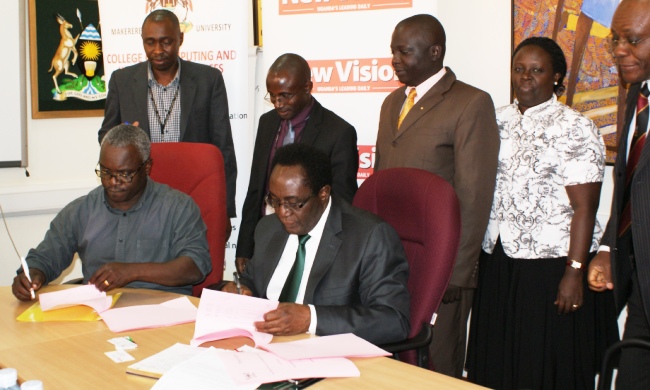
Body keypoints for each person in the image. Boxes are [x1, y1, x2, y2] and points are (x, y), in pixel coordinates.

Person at [465, 37, 616, 389]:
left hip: (550, 267)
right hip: (499, 260)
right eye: (519, 69)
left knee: (543, 365)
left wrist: (574, 273)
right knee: (498, 362)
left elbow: (585, 208)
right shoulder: (495, 120)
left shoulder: (576, 128)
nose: (525, 77)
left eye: (537, 70)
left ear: (557, 77)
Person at [374, 14, 499, 377]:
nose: (395, 59)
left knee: (437, 363)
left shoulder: (470, 103)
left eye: (404, 51)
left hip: (441, 265)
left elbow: (475, 196)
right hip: (390, 258)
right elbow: (381, 182)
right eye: (392, 51)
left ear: (434, 52)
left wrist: (457, 273)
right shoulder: (391, 103)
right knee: (389, 359)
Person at [221, 143, 409, 345]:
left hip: (328, 353)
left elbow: (393, 320)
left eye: (294, 203)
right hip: (262, 347)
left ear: (323, 193)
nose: (282, 212)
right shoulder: (269, 227)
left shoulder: (370, 237)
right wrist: (240, 290)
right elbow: (251, 280)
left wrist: (311, 318)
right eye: (274, 201)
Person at [12, 125, 211, 300]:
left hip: (164, 314)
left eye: (124, 174)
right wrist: (33, 275)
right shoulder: (82, 210)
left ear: (147, 167)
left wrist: (132, 271)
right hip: (98, 316)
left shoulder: (178, 207)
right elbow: (45, 258)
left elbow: (195, 266)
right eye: (106, 172)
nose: (113, 182)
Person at [98, 9, 237, 220]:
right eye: (150, 42)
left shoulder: (208, 80)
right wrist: (125, 137)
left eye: (166, 42)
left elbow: (223, 150)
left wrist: (224, 211)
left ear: (180, 38)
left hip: (195, 196)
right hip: (141, 199)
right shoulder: (122, 81)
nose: (158, 50)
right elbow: (105, 136)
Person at [235, 53, 358, 274]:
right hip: (267, 239)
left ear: (308, 87)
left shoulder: (338, 132)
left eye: (286, 95)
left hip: (311, 244)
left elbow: (342, 201)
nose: (278, 104)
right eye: (272, 96)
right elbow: (256, 189)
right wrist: (244, 246)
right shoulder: (267, 123)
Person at [588, 1, 650, 388]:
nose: (619, 50)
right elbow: (627, 188)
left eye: (633, 40)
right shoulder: (636, 96)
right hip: (642, 287)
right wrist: (610, 248)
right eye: (615, 39)